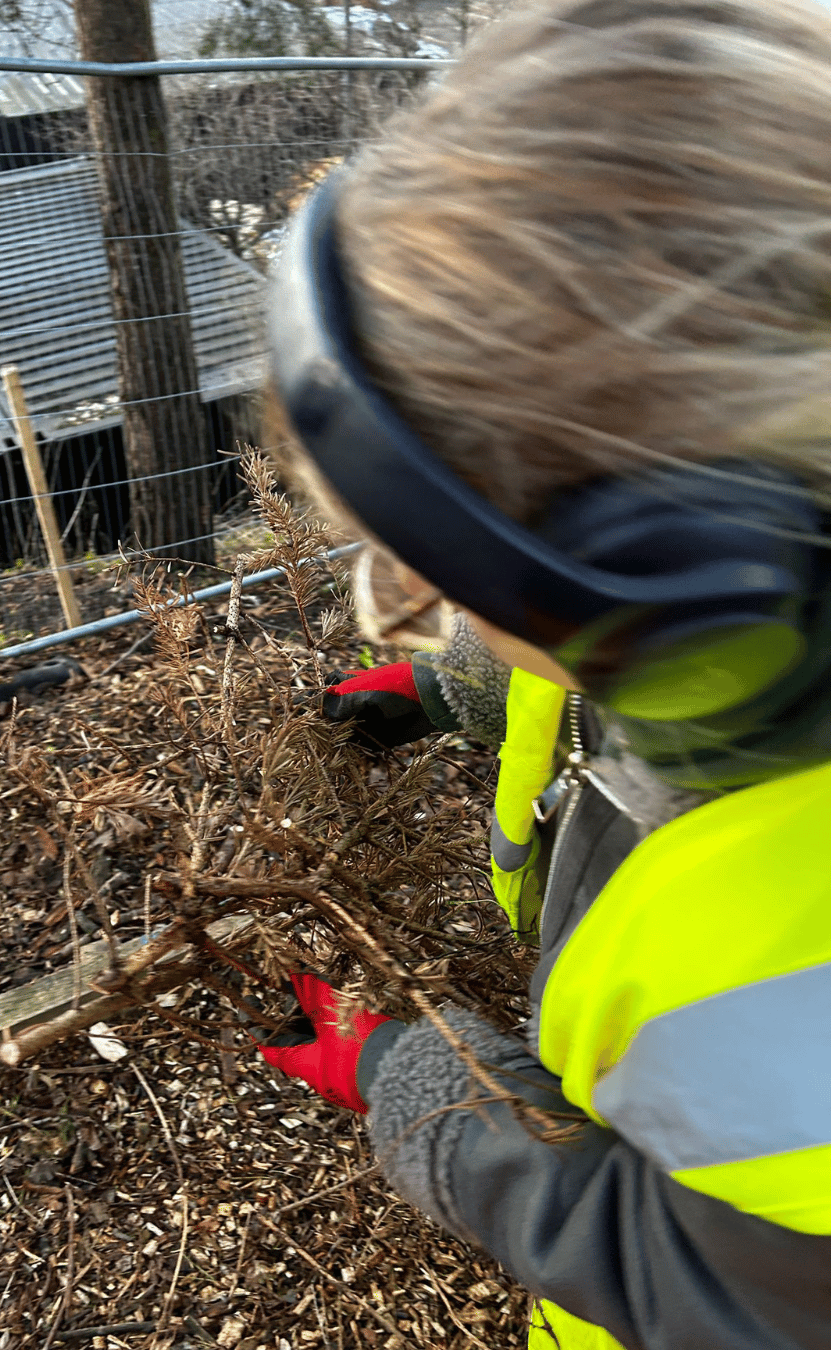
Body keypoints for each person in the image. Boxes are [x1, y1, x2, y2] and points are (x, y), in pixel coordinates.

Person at [256, 3, 831, 1347]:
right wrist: (455, 693)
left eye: (447, 583)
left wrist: (423, 1084)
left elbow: (692, 1275)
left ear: (681, 588)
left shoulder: (794, 960)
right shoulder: (745, 627)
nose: (426, 615)